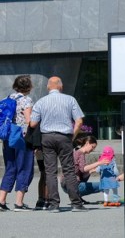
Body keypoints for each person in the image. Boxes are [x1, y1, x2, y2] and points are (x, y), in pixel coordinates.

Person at [28, 76, 86, 212]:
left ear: (48, 87)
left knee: (50, 171)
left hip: (47, 137)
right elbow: (79, 121)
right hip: (64, 137)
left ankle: (54, 204)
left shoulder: (41, 102)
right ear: (61, 86)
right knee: (69, 170)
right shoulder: (70, 100)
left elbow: (33, 123)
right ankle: (76, 203)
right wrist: (72, 135)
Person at [0, 75, 35, 211]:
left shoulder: (6, 99)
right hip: (21, 137)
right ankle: (19, 203)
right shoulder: (27, 100)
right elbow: (28, 121)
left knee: (10, 168)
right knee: (25, 168)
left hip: (7, 137)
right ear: (29, 87)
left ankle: (1, 200)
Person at [62, 132, 104, 199]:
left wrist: (91, 171)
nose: (92, 150)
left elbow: (81, 171)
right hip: (73, 185)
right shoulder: (80, 153)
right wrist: (99, 163)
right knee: (104, 185)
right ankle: (77, 196)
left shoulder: (76, 151)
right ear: (87, 143)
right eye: (92, 147)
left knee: (88, 172)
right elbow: (83, 169)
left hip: (65, 185)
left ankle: (78, 197)